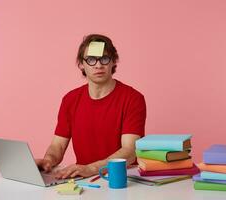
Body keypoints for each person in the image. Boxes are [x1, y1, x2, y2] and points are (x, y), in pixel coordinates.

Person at [35, 34, 146, 179]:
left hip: (122, 179)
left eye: (104, 59)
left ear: (113, 62)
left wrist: (92, 168)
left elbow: (130, 151)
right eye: (91, 60)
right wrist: (48, 161)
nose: (98, 65)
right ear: (81, 64)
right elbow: (58, 146)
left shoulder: (133, 98)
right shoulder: (70, 100)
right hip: (84, 179)